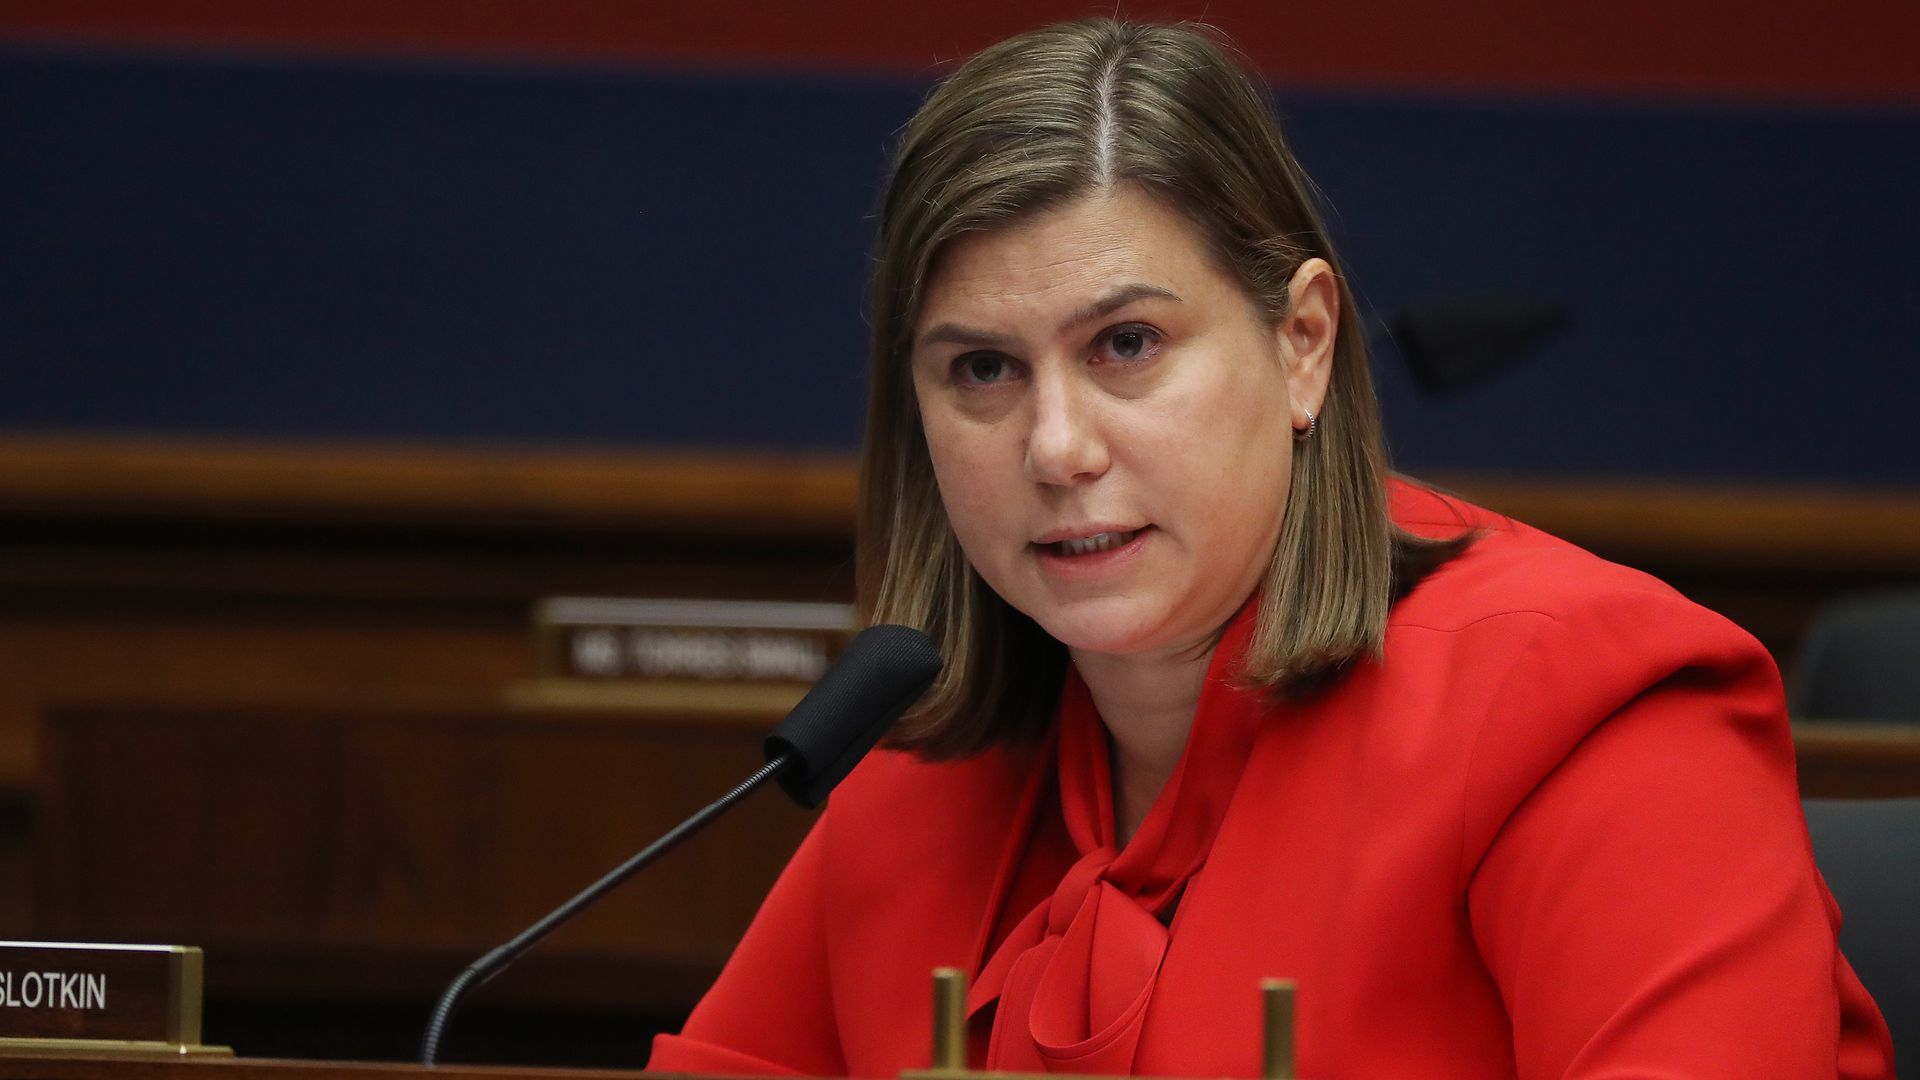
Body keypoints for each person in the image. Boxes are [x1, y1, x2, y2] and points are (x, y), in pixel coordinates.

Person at [650, 18, 1893, 1078]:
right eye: (983, 368)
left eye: (1125, 344)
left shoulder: (1580, 712)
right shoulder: (920, 772)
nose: (1057, 446)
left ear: (1302, 342)